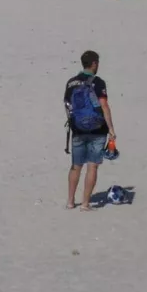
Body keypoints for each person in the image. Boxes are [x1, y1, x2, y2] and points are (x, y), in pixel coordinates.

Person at [64, 50, 115, 211]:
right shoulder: (98, 82)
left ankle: (70, 202)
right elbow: (104, 106)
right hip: (97, 129)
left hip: (78, 129)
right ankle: (85, 204)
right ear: (94, 63)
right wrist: (112, 129)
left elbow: (67, 105)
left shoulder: (71, 82)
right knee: (92, 166)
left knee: (75, 166)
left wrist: (73, 124)